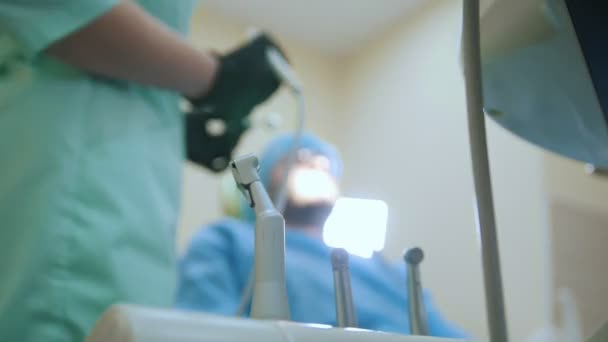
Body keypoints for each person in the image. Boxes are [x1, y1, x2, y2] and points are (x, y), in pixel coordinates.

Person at [0, 1, 283, 341]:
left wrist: (167, 124)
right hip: (77, 186)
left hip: (117, 179)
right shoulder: (226, 242)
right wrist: (217, 78)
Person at [176, 133, 469, 338]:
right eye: (301, 158)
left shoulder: (378, 266)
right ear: (262, 181)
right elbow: (201, 329)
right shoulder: (228, 241)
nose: (316, 165)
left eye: (325, 164)